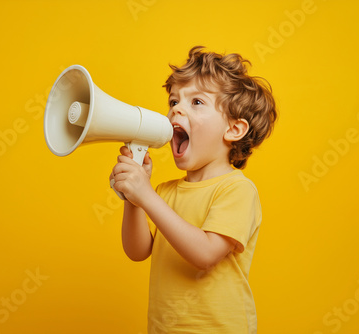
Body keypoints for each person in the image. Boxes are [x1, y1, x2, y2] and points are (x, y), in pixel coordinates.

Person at [110, 46, 277, 333]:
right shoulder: (165, 192)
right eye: (174, 100)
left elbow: (205, 254)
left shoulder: (237, 190)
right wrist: (134, 199)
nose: (176, 108)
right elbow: (137, 251)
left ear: (234, 129)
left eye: (197, 102)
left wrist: (147, 196)